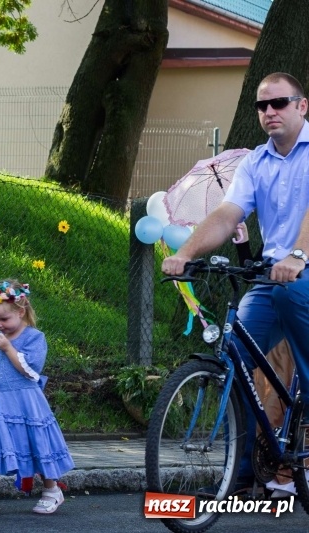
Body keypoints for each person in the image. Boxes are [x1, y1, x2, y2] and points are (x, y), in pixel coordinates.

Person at [162, 71, 309, 490]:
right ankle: (246, 467)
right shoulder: (256, 162)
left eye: (279, 103)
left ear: (302, 105)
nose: (269, 112)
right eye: (262, 105)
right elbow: (229, 214)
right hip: (272, 276)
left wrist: (298, 255)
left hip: (303, 270)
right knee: (238, 358)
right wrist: (185, 254)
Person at [0, 279, 74, 515]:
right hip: (3, 403)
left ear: (21, 312)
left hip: (28, 404)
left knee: (36, 445)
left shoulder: (34, 337)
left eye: (4, 319)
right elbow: (1, 369)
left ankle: (52, 490)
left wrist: (9, 349)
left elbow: (30, 371)